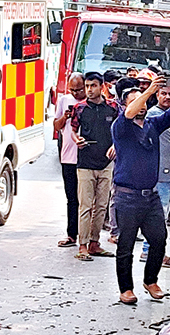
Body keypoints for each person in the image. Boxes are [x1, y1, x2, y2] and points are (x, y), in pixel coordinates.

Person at [109, 73, 170, 303]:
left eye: (144, 101)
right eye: (136, 101)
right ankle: (126, 288)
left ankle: (150, 280)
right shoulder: (121, 127)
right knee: (126, 244)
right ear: (126, 105)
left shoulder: (152, 125)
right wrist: (148, 91)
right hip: (127, 197)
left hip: (150, 196)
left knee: (159, 239)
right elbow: (129, 113)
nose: (142, 104)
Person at [68, 72, 119, 262]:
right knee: (85, 206)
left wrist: (115, 146)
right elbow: (73, 130)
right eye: (87, 86)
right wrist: (77, 140)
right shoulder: (80, 108)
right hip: (85, 164)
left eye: (93, 86)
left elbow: (120, 130)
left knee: (101, 206)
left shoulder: (113, 107)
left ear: (102, 86)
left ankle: (94, 243)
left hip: (106, 163)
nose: (89, 90)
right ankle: (82, 245)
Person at [144, 80, 170, 270]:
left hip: (169, 173)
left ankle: (154, 250)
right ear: (157, 95)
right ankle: (151, 251)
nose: (168, 97)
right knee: (158, 216)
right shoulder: (154, 115)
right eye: (164, 93)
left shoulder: (168, 115)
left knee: (162, 215)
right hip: (160, 174)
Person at [49, 73, 86, 248]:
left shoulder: (92, 101)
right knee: (72, 198)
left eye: (79, 90)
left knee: (88, 200)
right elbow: (56, 126)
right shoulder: (64, 100)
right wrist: (65, 117)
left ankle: (88, 237)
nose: (76, 93)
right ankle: (72, 235)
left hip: (88, 158)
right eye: (72, 90)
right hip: (69, 157)